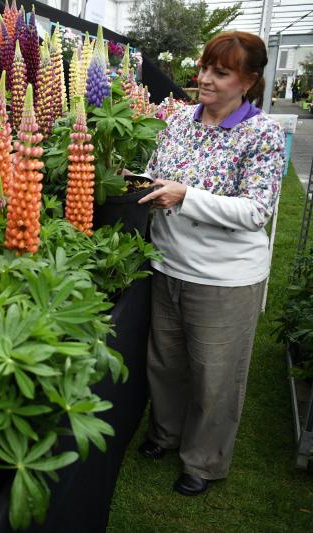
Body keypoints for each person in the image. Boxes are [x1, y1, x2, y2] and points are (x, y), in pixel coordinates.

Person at [135, 32, 285, 496]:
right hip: (168, 264)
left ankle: (202, 460)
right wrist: (142, 184)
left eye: (220, 73)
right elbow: (159, 171)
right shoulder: (181, 119)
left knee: (214, 376)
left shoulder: (262, 133)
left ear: (249, 81)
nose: (204, 79)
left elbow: (256, 210)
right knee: (166, 364)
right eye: (204, 68)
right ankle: (165, 433)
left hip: (224, 277)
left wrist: (187, 196)